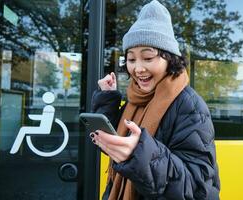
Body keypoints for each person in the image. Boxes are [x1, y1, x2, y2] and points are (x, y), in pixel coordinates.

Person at [90, 0, 220, 199]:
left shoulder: (190, 106)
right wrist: (107, 100)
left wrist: (140, 153)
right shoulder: (135, 99)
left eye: (148, 58)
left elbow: (196, 186)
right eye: (131, 59)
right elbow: (116, 147)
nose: (138, 68)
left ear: (170, 59)